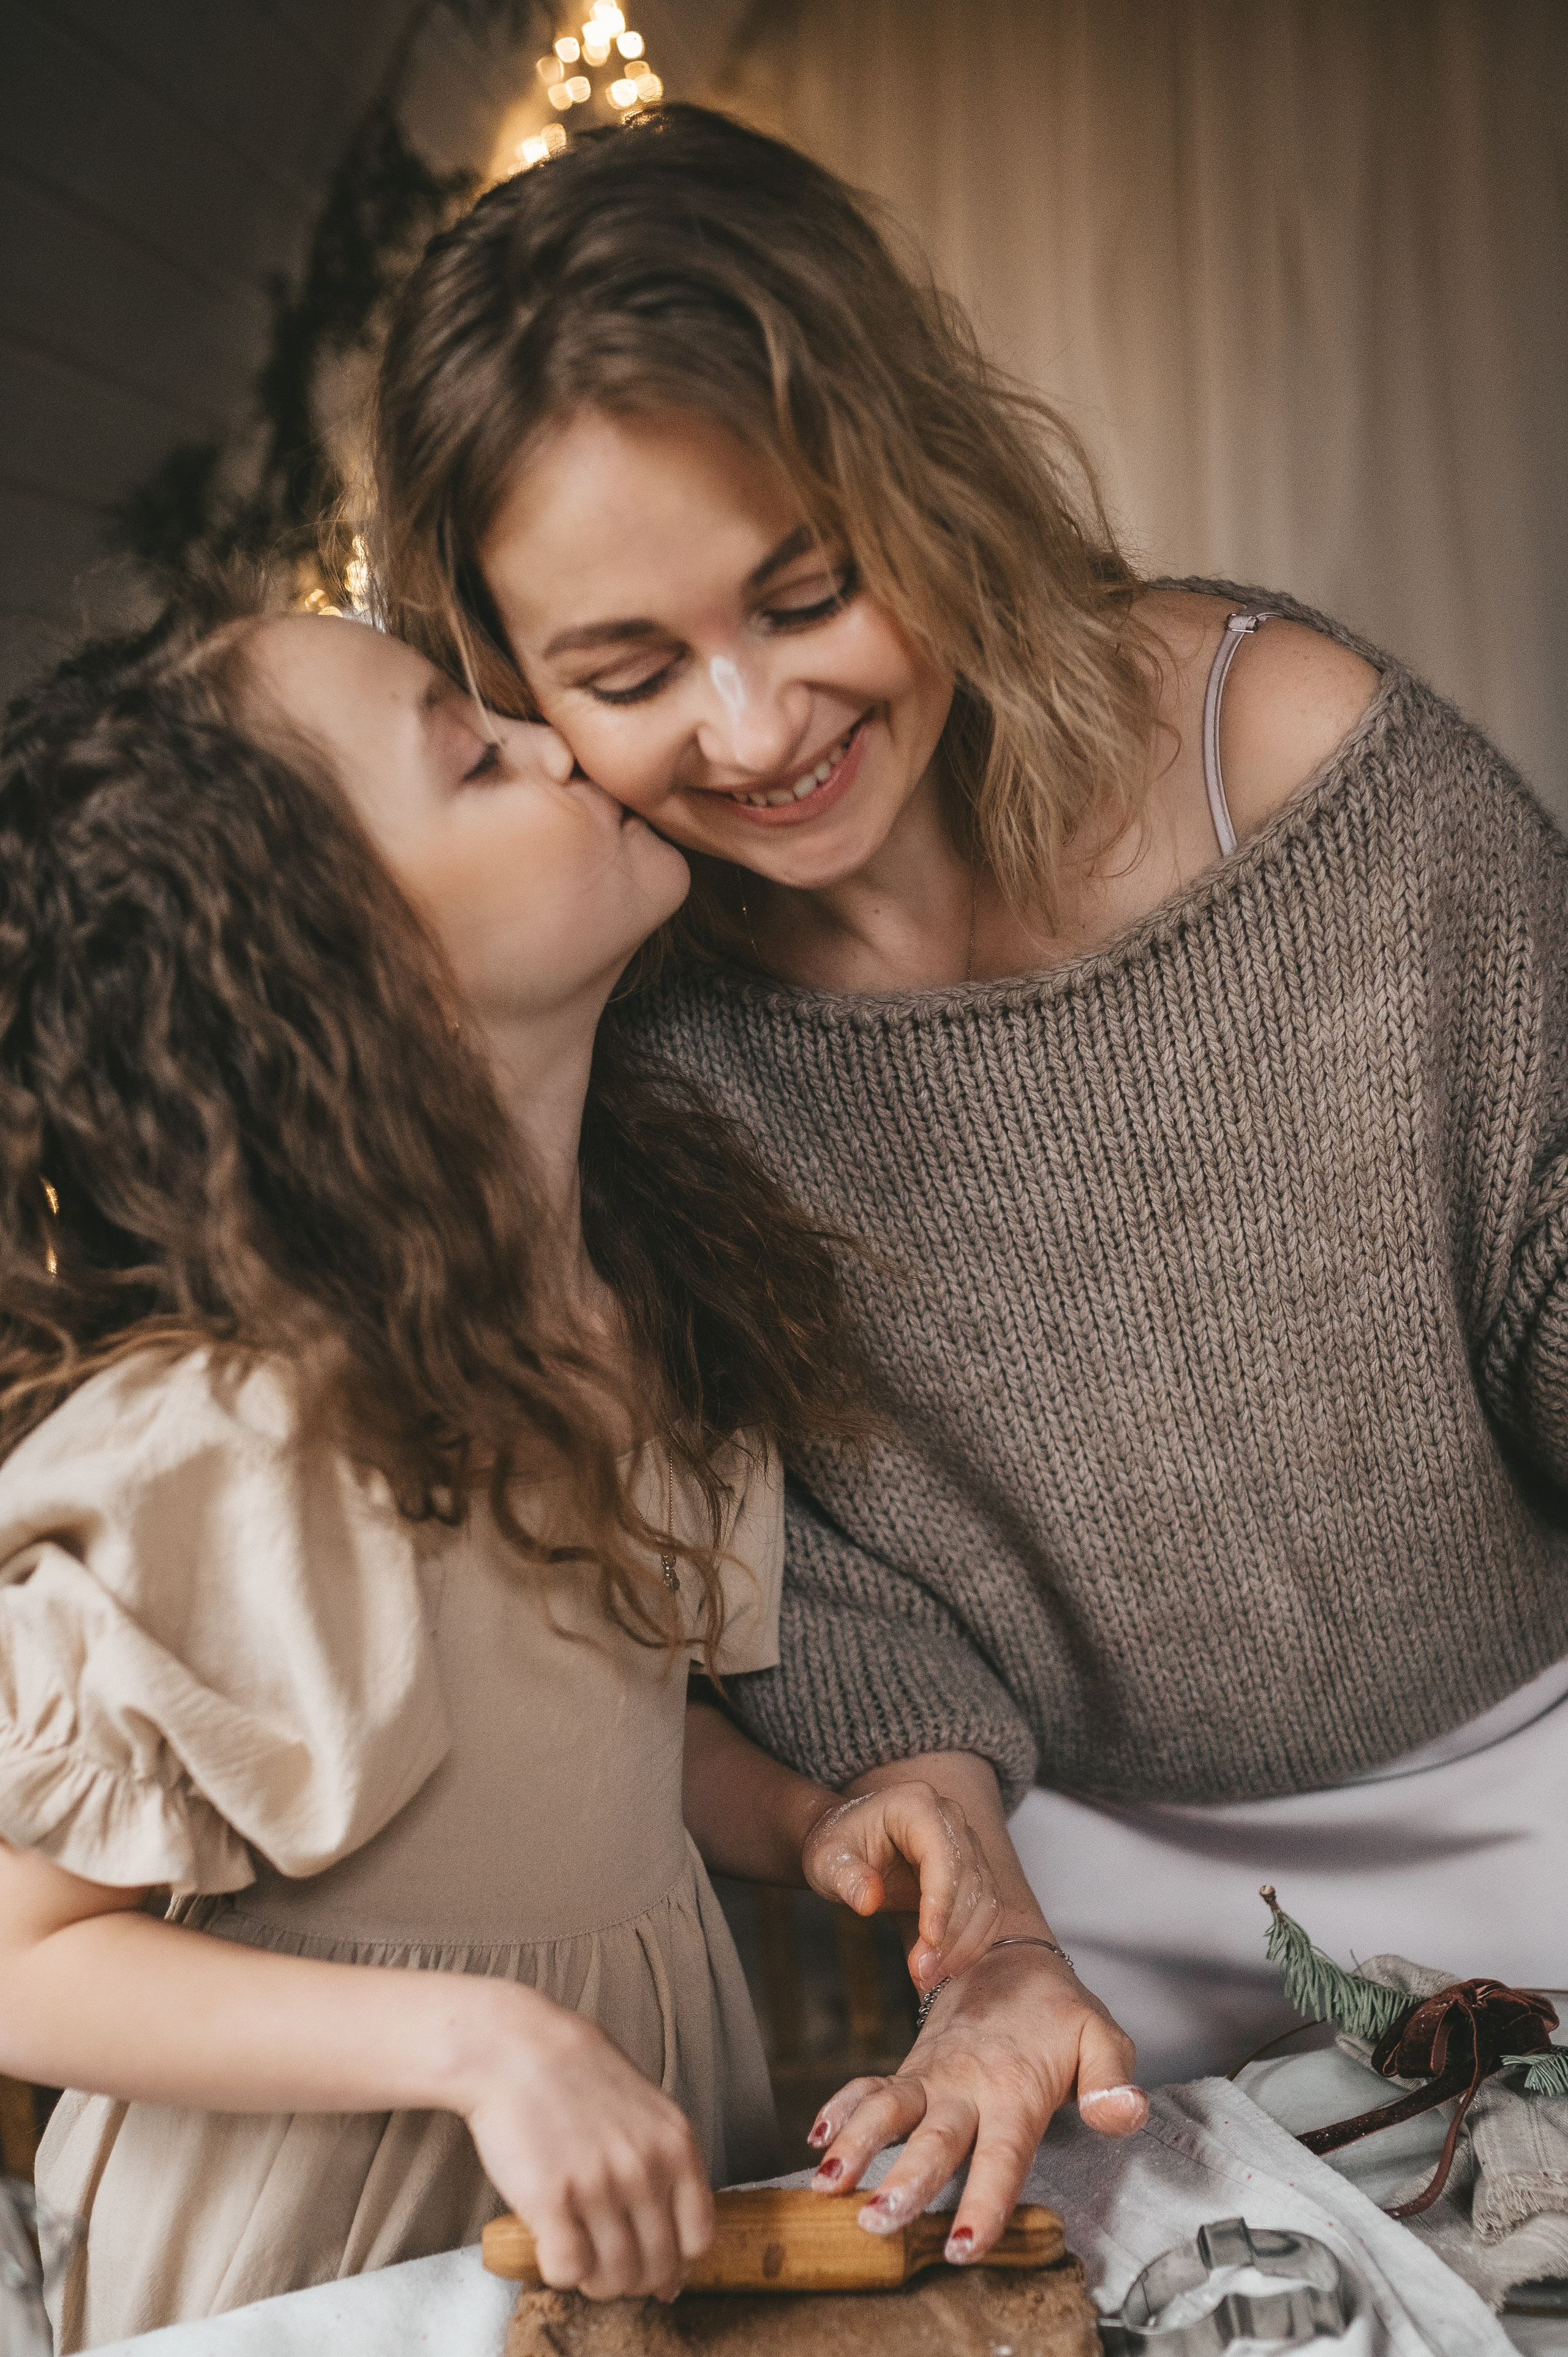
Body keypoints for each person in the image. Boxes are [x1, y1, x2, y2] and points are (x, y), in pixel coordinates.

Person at [368, 97, 1568, 2155]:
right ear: (506, 684)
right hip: (1090, 1918)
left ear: (928, 490)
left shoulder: (1303, 767)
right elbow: (807, 1570)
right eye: (630, 669)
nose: (753, 732)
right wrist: (944, 1851)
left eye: (809, 590)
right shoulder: (628, 1035)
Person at [0, 586, 1015, 2349]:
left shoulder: (637, 1314)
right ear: (333, 967)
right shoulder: (249, 1444)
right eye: (477, 757)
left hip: (620, 2193)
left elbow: (595, 1730)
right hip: (324, 2266)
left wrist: (804, 1818)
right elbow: (18, 1953)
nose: (561, 742)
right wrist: (480, 2042)